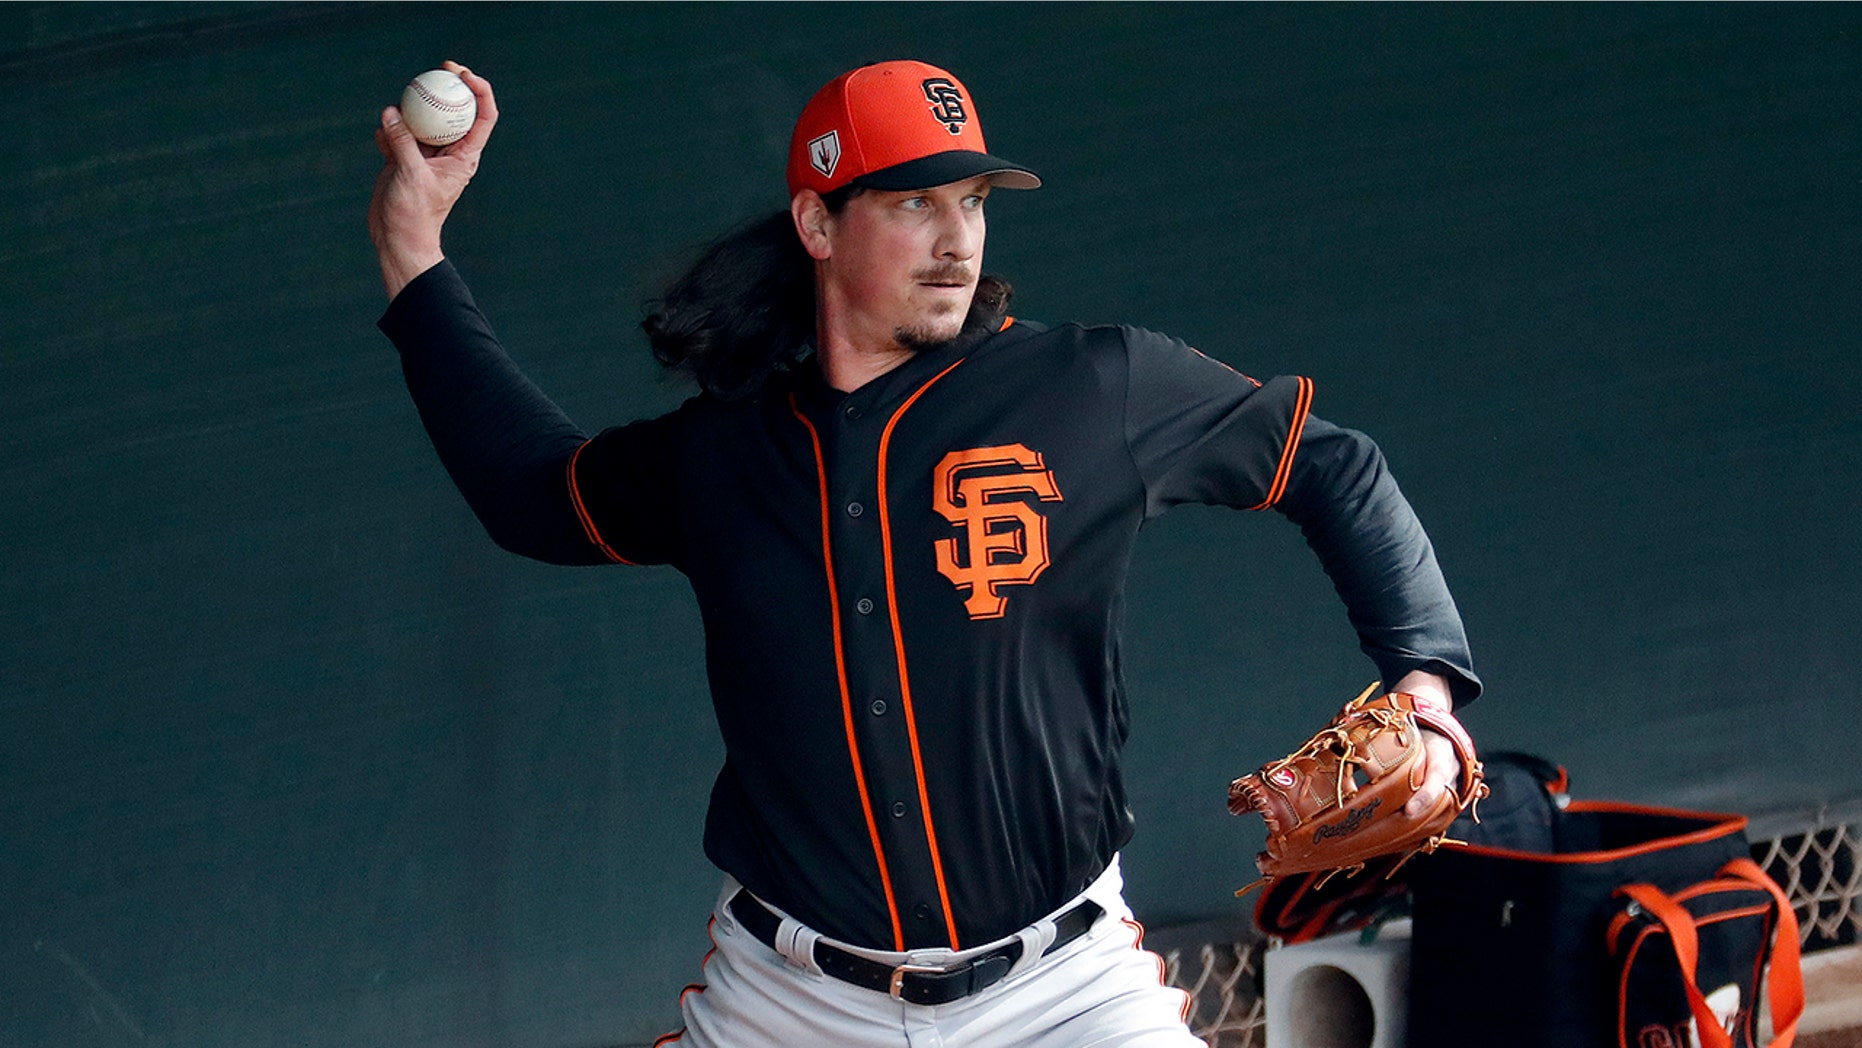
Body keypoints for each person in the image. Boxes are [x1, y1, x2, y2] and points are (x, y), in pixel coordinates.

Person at [370, 58, 1480, 1048]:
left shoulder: (1093, 388)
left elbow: (1333, 467)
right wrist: (412, 253)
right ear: (816, 224)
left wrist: (1424, 685)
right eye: (913, 203)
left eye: (973, 200)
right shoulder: (723, 455)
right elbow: (530, 494)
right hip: (788, 999)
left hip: (1064, 986)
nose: (957, 239)